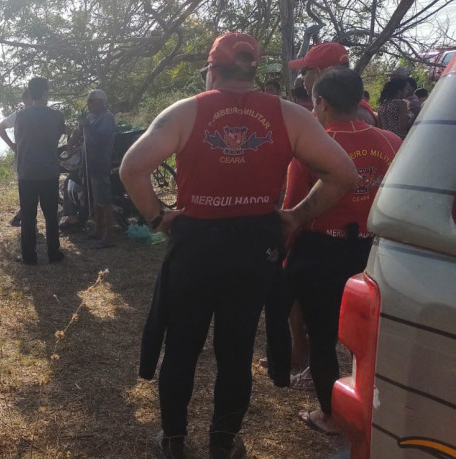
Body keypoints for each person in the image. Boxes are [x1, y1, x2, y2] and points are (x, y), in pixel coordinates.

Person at [120, 32, 357, 459]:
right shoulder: (290, 115)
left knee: (182, 345)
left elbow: (132, 167)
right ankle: (223, 443)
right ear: (253, 70)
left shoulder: (186, 111)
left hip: (195, 245)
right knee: (236, 349)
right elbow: (343, 172)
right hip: (253, 248)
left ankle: (173, 440)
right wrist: (295, 216)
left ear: (212, 69)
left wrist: (158, 218)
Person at [283, 68, 401, 434]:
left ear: (321, 103)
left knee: (322, 338)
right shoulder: (392, 142)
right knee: (372, 340)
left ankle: (331, 416)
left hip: (322, 254)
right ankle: (377, 410)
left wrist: (285, 260)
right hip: (376, 254)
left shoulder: (310, 149)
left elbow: (292, 212)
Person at [14, 77, 66, 265]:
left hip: (26, 172)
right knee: (51, 214)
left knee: (28, 216)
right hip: (48, 171)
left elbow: (18, 139)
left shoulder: (21, 116)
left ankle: (29, 255)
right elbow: (58, 135)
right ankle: (54, 252)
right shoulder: (56, 115)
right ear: (45, 93)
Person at [288, 42, 378, 126]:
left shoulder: (352, 115)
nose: (302, 77)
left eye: (304, 72)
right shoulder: (343, 106)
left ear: (318, 73)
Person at [83, 89, 117, 248]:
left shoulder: (107, 117)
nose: (88, 104)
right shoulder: (92, 117)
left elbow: (98, 140)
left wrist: (86, 126)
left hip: (102, 162)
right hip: (92, 162)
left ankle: (109, 236)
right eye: (88, 101)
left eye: (92, 101)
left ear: (101, 103)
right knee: (97, 199)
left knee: (105, 199)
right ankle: (98, 229)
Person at [0, 88, 34, 226]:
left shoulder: (42, 113)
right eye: (30, 98)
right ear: (25, 100)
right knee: (26, 188)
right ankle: (24, 216)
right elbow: (0, 127)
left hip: (38, 156)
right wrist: (12, 145)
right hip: (24, 157)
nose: (33, 102)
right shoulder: (18, 115)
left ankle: (23, 215)